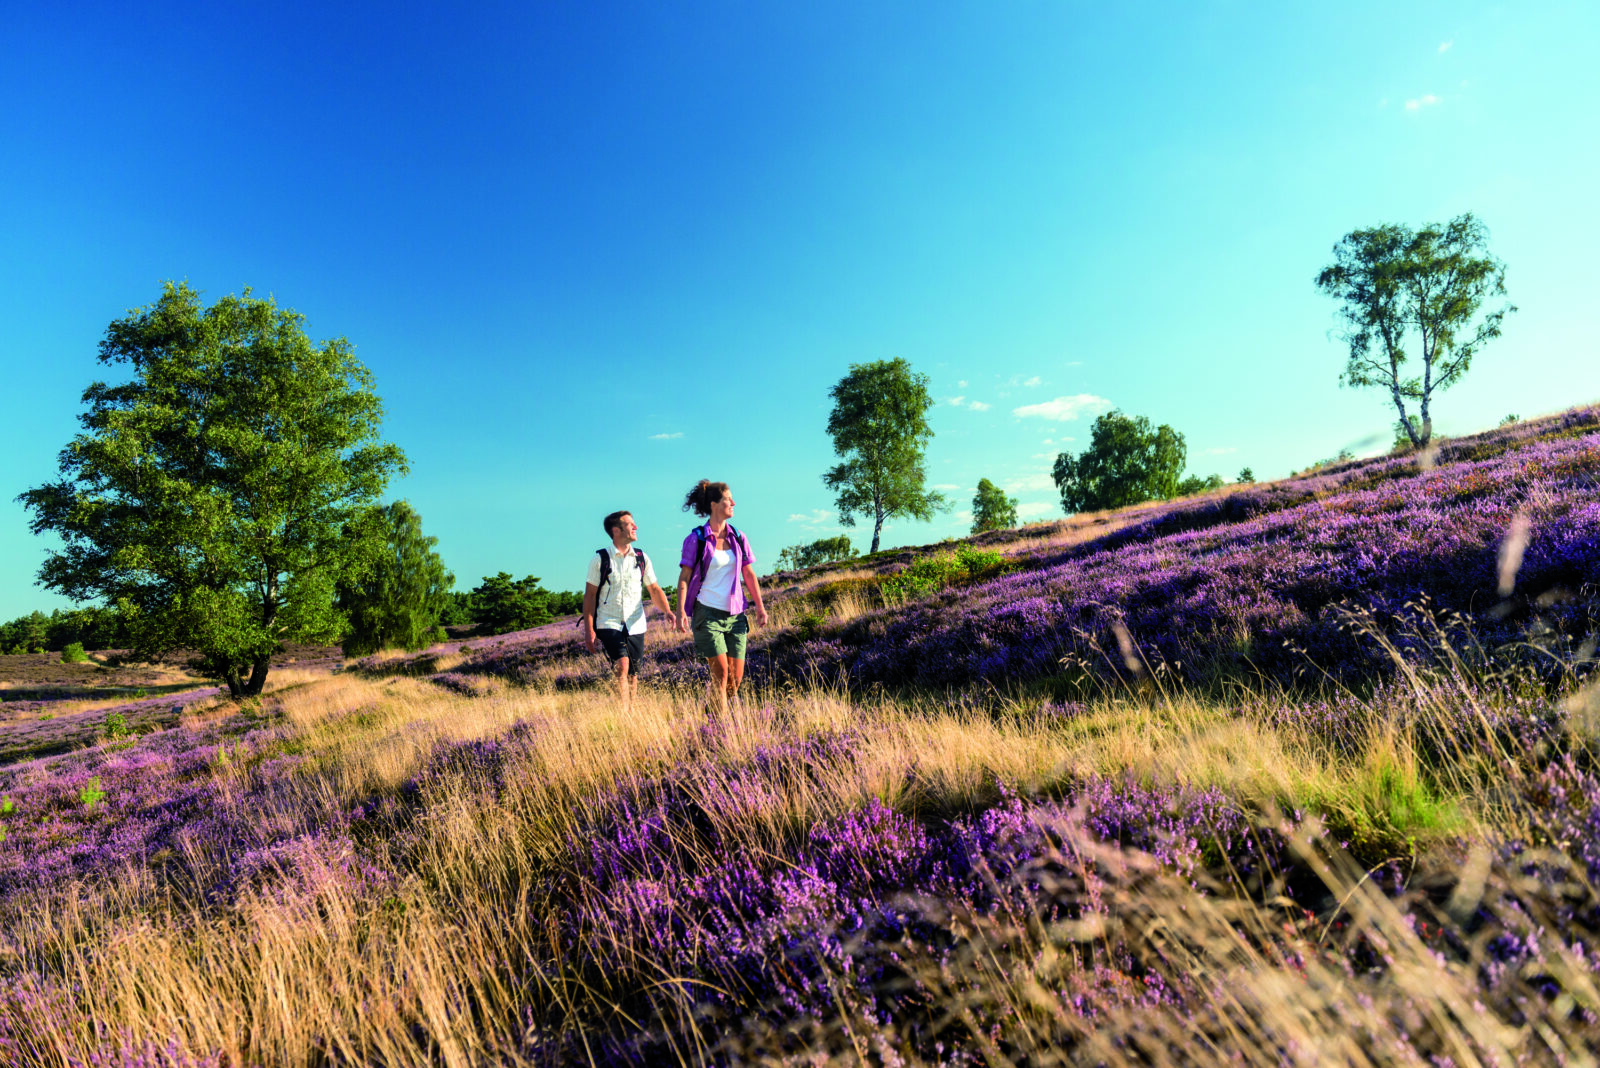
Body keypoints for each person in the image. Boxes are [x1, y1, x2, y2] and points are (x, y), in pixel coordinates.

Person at [675, 480, 769, 715]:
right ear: (715, 504)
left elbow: (748, 572)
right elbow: (685, 577)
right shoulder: (696, 538)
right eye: (729, 499)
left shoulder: (738, 536)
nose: (733, 503)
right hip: (707, 613)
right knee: (721, 674)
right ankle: (720, 728)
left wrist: (760, 606)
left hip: (736, 615)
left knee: (735, 679)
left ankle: (710, 713)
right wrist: (680, 612)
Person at [582, 510, 676, 714]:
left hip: (636, 622)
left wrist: (667, 611)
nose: (636, 527)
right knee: (622, 665)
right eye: (630, 524)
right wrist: (589, 630)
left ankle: (631, 710)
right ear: (616, 530)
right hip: (608, 621)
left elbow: (654, 589)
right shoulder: (600, 559)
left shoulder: (641, 558)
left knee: (633, 673)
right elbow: (589, 596)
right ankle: (622, 711)